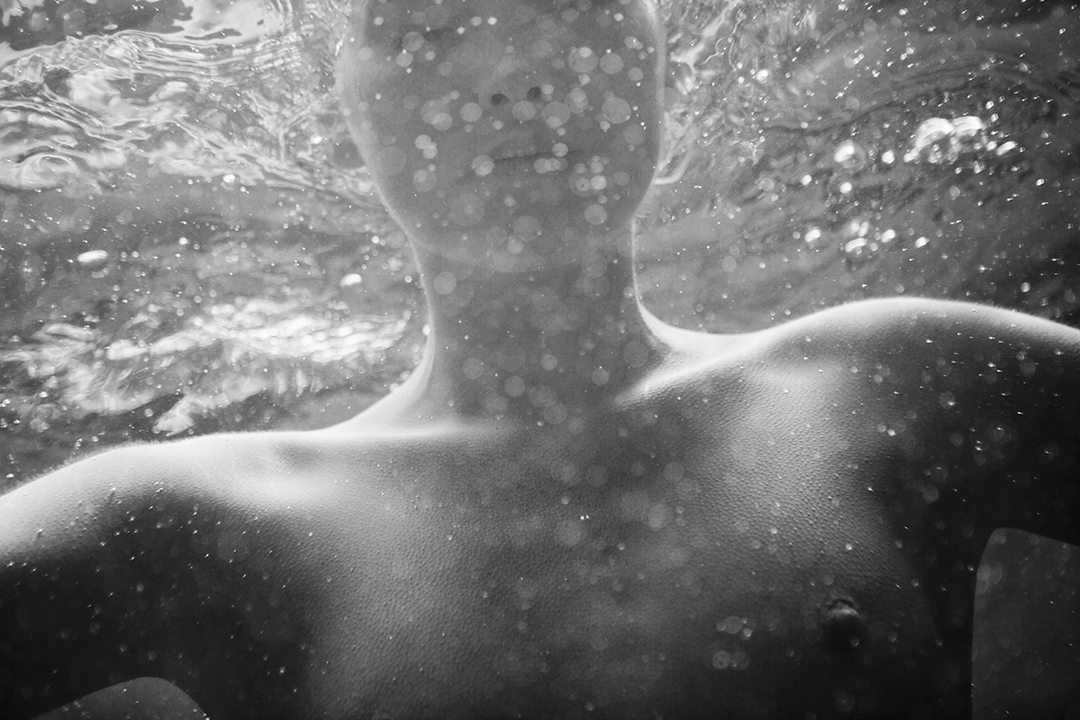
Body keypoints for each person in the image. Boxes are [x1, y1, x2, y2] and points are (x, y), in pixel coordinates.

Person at [3, 0, 1080, 717]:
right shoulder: (202, 524)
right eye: (424, 25)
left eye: (573, 2)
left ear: (667, 74)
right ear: (340, 120)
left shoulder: (896, 380)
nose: (513, 72)